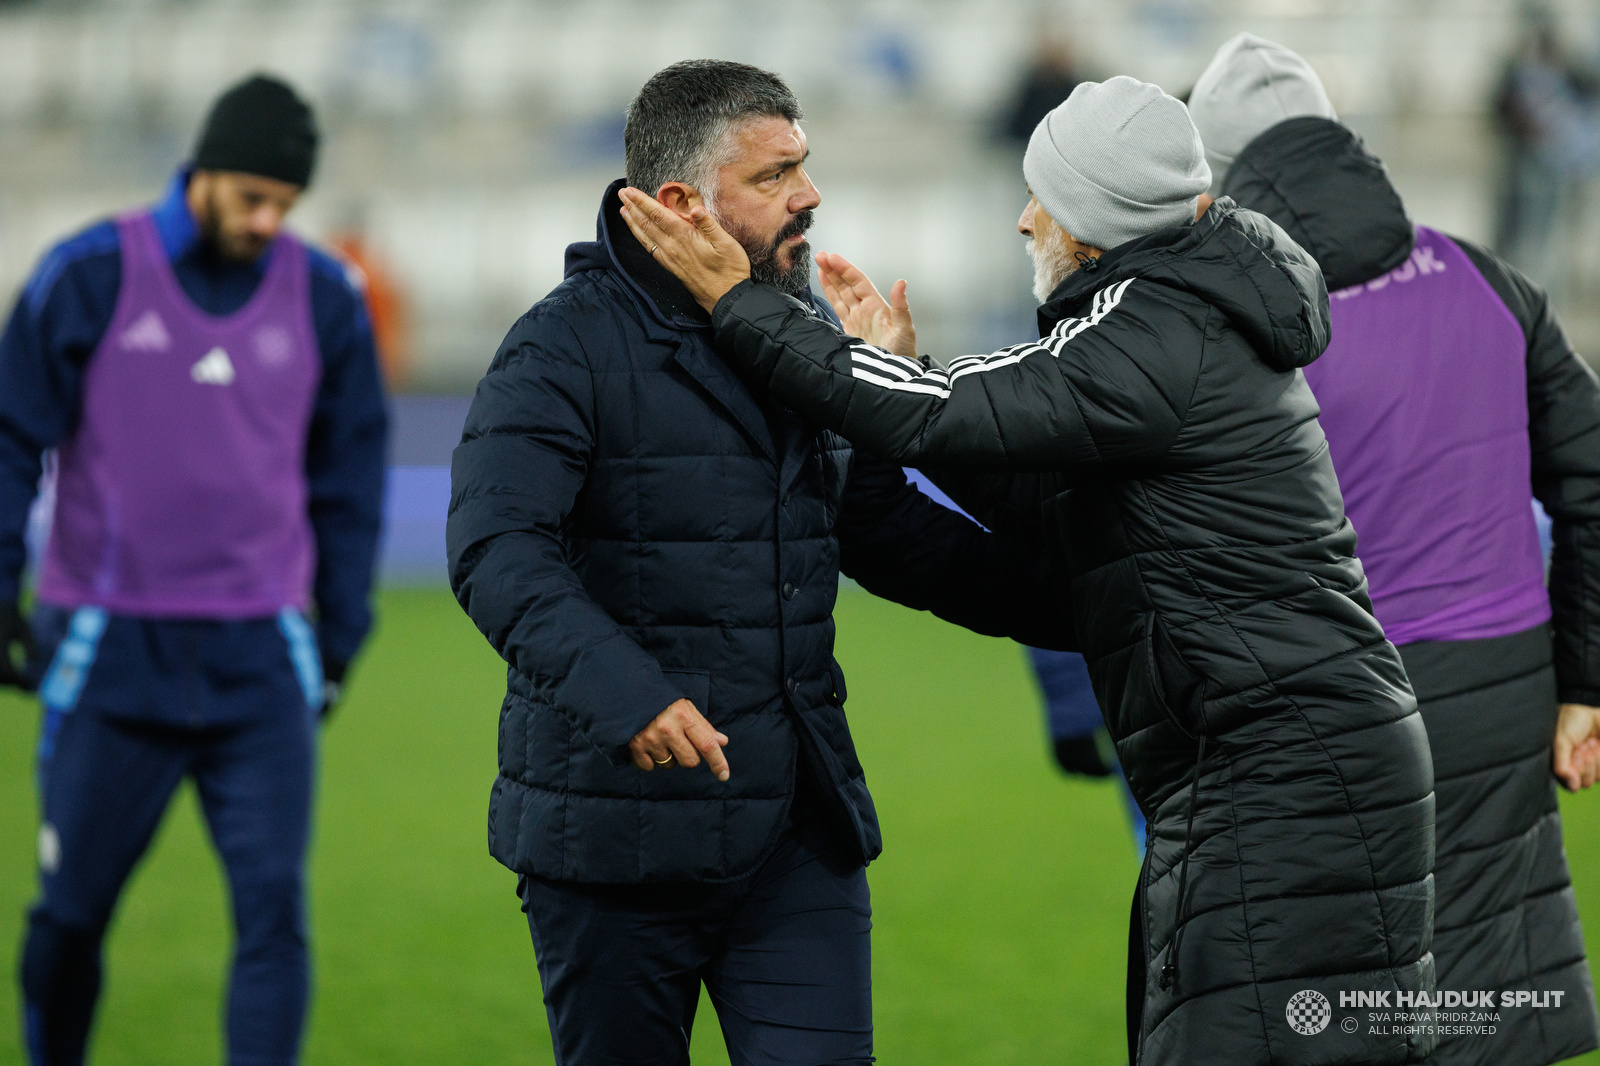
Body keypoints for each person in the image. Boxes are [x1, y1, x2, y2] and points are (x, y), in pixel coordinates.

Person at [621, 74, 1438, 1066]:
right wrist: (903, 402)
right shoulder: (1178, 316)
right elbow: (1053, 514)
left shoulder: (1151, 331)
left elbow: (942, 408)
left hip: (1283, 780)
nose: (1022, 220)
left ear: (1089, 223)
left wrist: (743, 305)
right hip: (1285, 768)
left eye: (1039, 199)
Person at [446, 60, 1070, 1066]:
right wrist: (628, 698)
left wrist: (1093, 610)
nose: (810, 195)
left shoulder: (802, 331)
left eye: (804, 165)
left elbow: (884, 528)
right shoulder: (557, 349)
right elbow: (495, 549)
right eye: (776, 174)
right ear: (682, 202)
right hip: (612, 838)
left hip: (794, 827)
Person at [1189, 32, 1600, 1066]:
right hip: (1507, 685)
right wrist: (1587, 679)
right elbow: (1594, 482)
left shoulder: (1234, 322)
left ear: (1221, 178)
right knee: (1477, 1001)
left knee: (1335, 1015)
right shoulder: (1483, 276)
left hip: (1337, 711)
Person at [0, 75, 388, 1066]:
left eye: (284, 205)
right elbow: (9, 438)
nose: (267, 220)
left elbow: (350, 478)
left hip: (262, 662)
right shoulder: (87, 274)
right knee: (70, 917)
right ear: (204, 173)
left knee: (274, 914)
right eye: (252, 197)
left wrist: (338, 633)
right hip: (106, 651)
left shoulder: (326, 296)